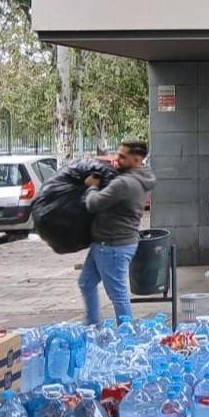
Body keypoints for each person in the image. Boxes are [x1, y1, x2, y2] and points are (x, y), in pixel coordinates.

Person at [79, 140, 156, 326]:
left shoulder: (125, 183)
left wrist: (91, 186)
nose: (116, 159)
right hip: (109, 243)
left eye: (122, 157)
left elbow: (93, 203)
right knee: (86, 282)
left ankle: (126, 335)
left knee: (118, 294)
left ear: (136, 160)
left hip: (113, 245)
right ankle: (92, 326)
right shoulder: (142, 177)